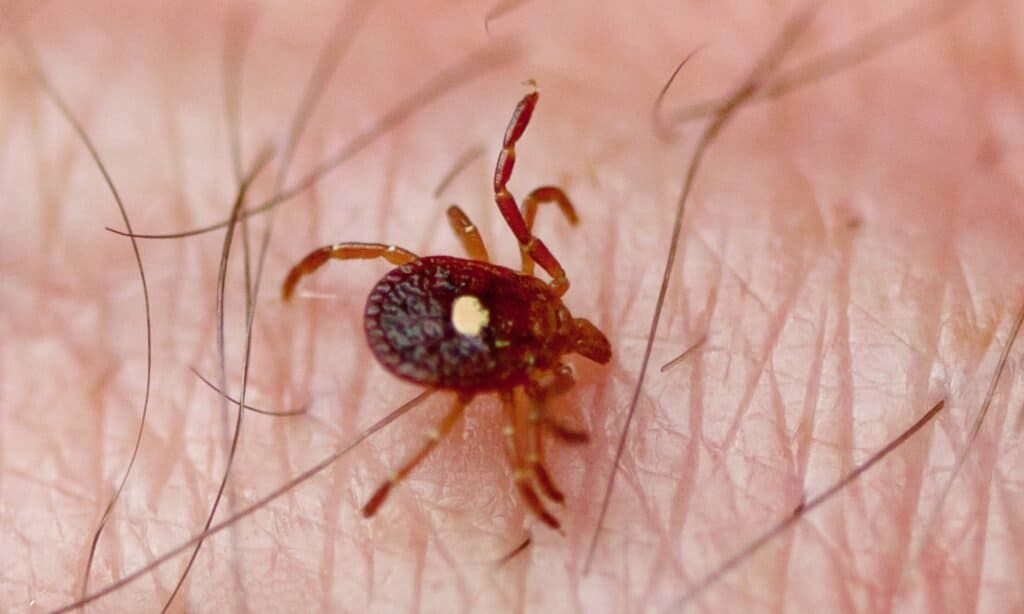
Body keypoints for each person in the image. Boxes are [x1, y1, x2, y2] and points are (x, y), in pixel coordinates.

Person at [4, 1, 1020, 611]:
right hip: (434, 316)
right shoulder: (529, 348)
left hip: (435, 311)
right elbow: (507, 213)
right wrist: (533, 452)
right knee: (458, 245)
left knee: (453, 229)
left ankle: (333, 279)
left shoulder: (533, 313)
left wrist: (546, 393)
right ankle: (375, 397)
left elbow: (503, 200)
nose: (572, 335)